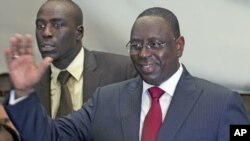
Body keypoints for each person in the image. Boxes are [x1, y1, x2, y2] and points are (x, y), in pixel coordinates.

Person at [3, 7, 249, 141]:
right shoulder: (105, 100)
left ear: (179, 46)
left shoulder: (221, 103)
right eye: (136, 45)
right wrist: (24, 92)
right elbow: (51, 137)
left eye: (155, 44)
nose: (143, 54)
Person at [34, 0, 136, 118]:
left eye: (57, 25)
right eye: (40, 26)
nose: (46, 33)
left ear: (79, 32)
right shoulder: (30, 85)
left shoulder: (121, 71)